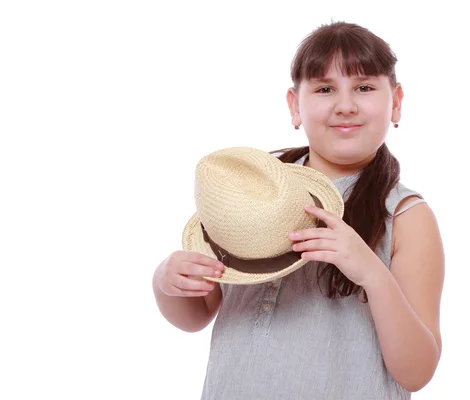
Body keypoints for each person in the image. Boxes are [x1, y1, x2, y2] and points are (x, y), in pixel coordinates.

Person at [152, 21, 445, 399]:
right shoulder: (256, 193)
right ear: (295, 105)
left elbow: (416, 372)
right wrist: (168, 283)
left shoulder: (405, 216)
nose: (345, 105)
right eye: (325, 89)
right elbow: (197, 315)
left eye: (365, 87)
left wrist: (372, 272)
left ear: (396, 102)